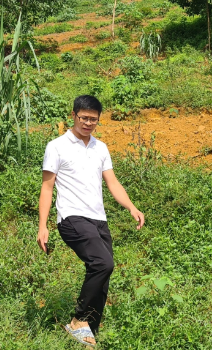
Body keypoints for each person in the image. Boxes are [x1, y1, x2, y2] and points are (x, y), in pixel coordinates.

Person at [37, 95, 145, 347]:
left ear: (98, 120)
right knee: (103, 263)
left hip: (98, 219)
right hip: (72, 217)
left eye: (93, 120)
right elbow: (47, 187)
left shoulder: (101, 148)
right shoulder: (57, 146)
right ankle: (78, 320)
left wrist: (131, 206)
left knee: (103, 272)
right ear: (73, 115)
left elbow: (112, 182)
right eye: (83, 118)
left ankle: (89, 331)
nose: (88, 123)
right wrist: (43, 225)